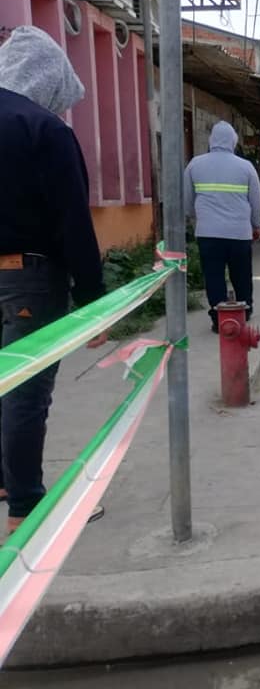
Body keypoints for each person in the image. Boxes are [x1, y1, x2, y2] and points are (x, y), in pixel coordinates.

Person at [0, 26, 108, 533]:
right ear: (48, 80)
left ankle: (6, 483)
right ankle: (26, 509)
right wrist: (93, 302)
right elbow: (72, 223)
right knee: (25, 389)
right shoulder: (43, 129)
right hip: (28, 275)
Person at [184, 121, 260, 332]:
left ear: (212, 140)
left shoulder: (195, 164)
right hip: (239, 234)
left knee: (214, 277)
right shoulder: (245, 167)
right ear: (233, 141)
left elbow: (187, 202)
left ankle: (219, 320)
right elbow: (256, 202)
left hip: (208, 234)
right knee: (241, 275)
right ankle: (244, 312)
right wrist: (257, 225)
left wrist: (200, 218)